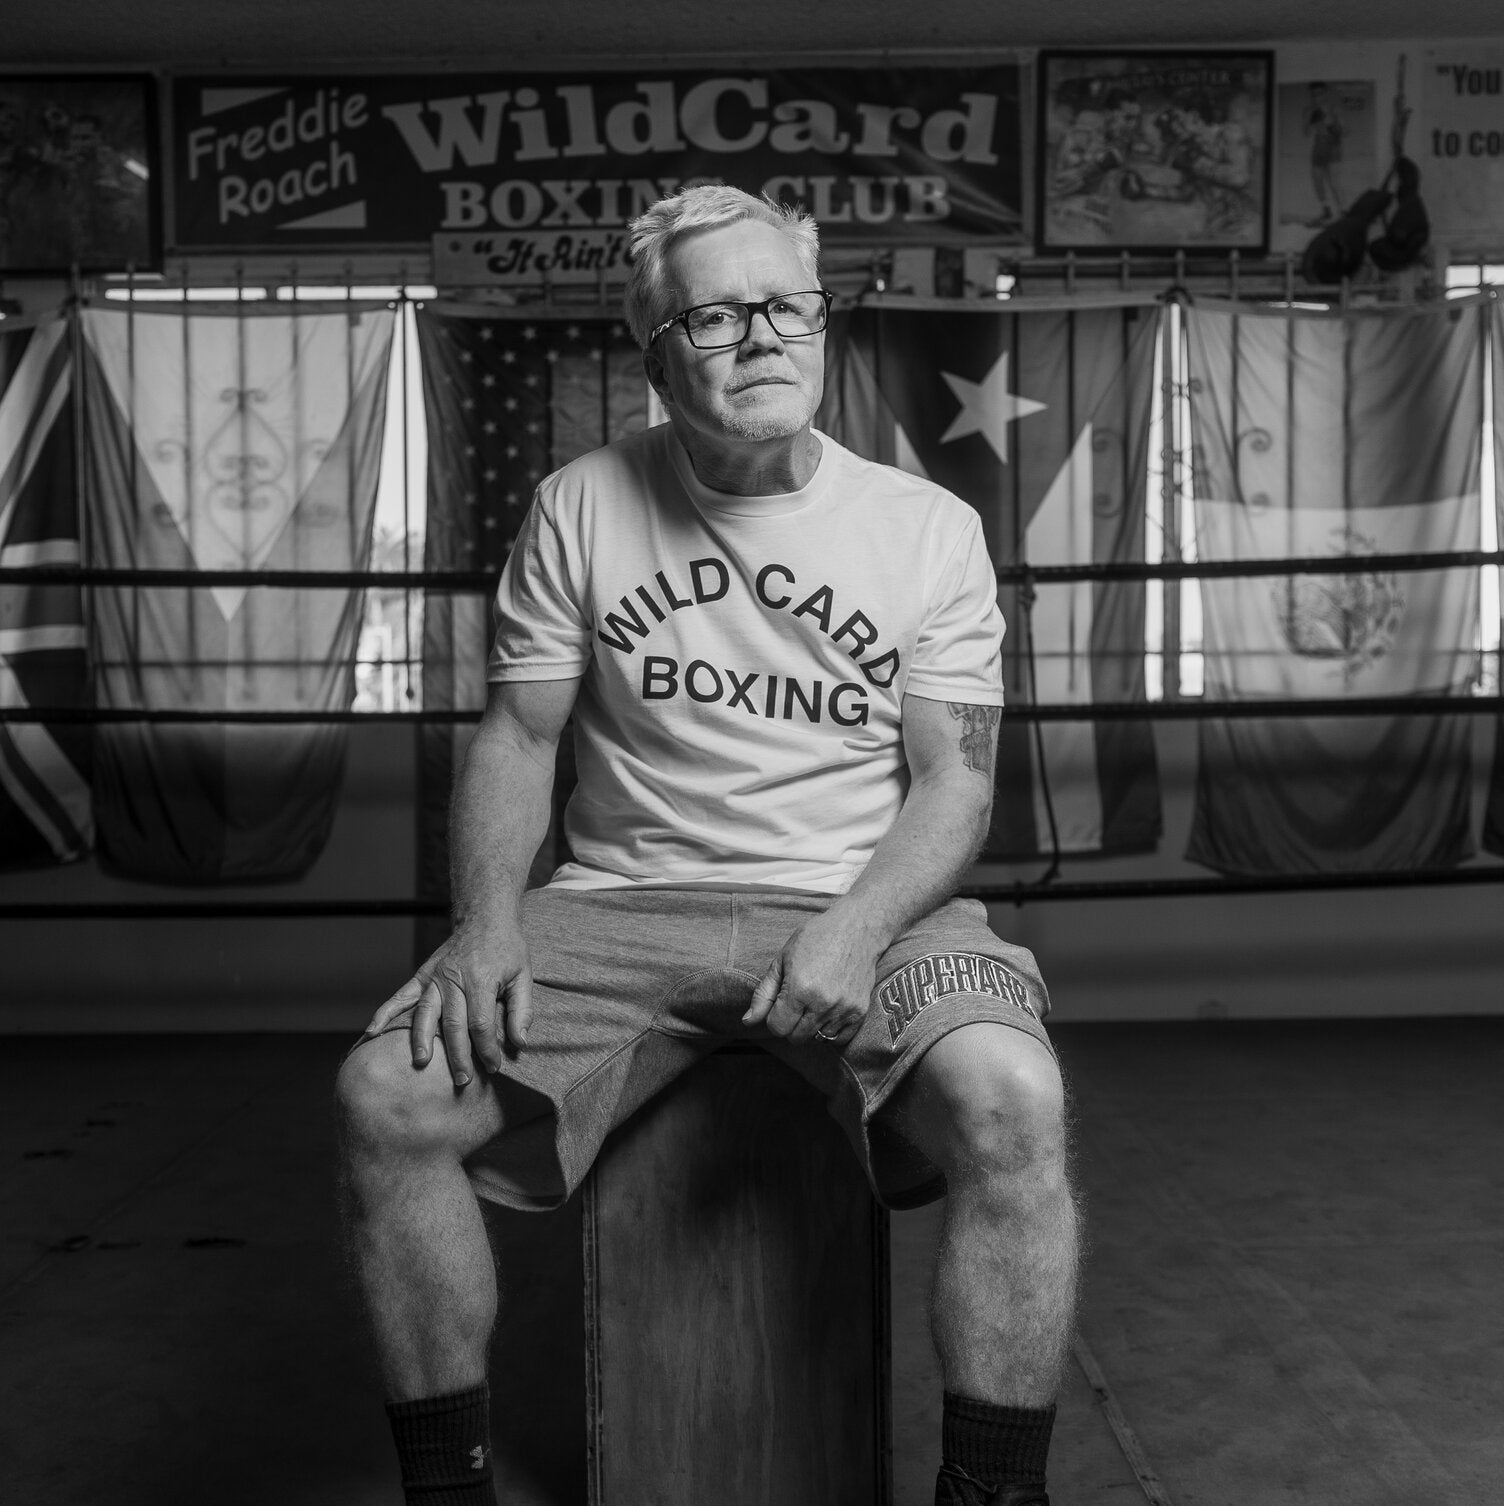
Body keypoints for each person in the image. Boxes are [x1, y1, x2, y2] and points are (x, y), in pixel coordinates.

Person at [336, 184, 1080, 1506]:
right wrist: (486, 921)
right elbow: (518, 735)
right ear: (657, 346)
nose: (761, 337)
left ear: (823, 316)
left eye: (787, 303)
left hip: (866, 897)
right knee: (386, 1099)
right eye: (716, 313)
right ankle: (447, 1489)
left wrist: (851, 928)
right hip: (623, 904)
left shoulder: (923, 530)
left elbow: (956, 784)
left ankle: (994, 1492)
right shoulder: (582, 503)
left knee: (1014, 1105)